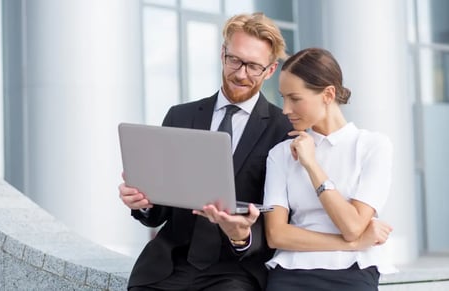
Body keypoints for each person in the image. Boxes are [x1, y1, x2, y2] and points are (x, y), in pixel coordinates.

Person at [119, 12, 293, 291]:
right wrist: (144, 201)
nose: (241, 73)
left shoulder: (283, 128)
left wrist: (243, 236)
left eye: (253, 66)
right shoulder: (180, 116)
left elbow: (285, 216)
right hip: (169, 266)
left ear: (270, 70)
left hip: (236, 270)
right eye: (234, 60)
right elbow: (159, 211)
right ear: (223, 53)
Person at [263, 47, 397, 291]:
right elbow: (276, 235)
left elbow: (353, 226)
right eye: (283, 98)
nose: (285, 110)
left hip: (353, 273)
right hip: (291, 274)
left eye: (295, 98)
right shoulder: (281, 154)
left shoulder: (373, 146)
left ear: (328, 94)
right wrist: (352, 244)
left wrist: (312, 165)